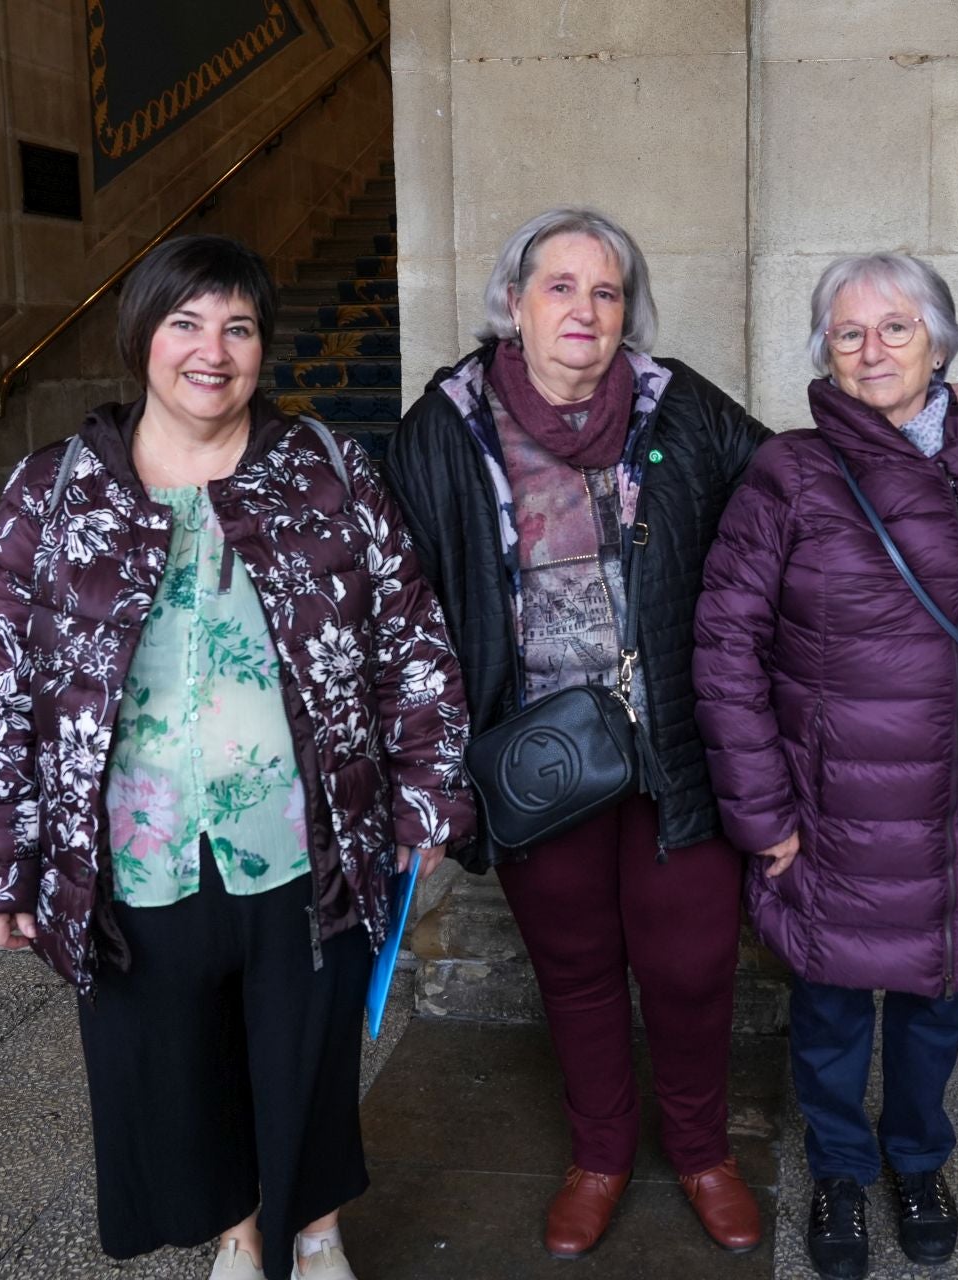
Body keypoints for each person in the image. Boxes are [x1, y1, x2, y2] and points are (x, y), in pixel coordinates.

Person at [0, 235, 473, 1280]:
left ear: (263, 346)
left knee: (305, 1054)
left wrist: (431, 798)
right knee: (175, 1066)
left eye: (237, 326)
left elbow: (411, 640)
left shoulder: (326, 471)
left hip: (301, 834)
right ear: (142, 335)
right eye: (186, 322)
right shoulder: (54, 491)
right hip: (132, 853)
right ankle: (238, 1225)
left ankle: (315, 1224)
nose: (212, 350)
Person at [385, 206, 779, 1259]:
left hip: (672, 741)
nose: (584, 310)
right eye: (561, 286)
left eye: (606, 292)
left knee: (692, 961)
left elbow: (795, 492)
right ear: (514, 304)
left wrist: (928, 422)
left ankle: (702, 1149)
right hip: (536, 755)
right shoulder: (444, 427)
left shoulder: (680, 405)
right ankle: (601, 1153)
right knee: (574, 962)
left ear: (626, 315)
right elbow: (400, 595)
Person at [693, 252, 958, 1280]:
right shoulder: (788, 472)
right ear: (823, 352)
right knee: (830, 1005)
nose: (872, 349)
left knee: (934, 1001)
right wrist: (762, 812)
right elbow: (725, 644)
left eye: (896, 328)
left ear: (941, 343)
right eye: (848, 332)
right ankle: (838, 1166)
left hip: (957, 799)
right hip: (828, 804)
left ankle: (917, 1158)